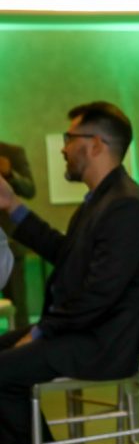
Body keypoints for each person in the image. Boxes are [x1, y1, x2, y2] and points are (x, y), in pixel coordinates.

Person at [0, 101, 139, 444]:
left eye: (70, 139)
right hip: (85, 332)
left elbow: (100, 295)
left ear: (96, 144)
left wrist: (44, 330)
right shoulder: (100, 200)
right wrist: (13, 206)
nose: (63, 148)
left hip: (103, 344)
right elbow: (66, 256)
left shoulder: (124, 204)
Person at [0, 141, 37, 328]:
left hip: (9, 246)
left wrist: (9, 174)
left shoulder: (11, 152)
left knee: (17, 307)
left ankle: (20, 353)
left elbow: (30, 189)